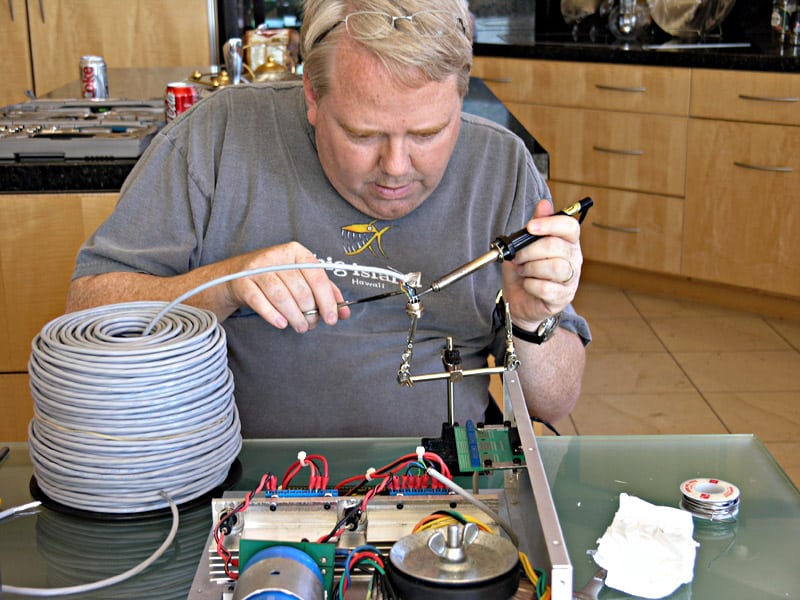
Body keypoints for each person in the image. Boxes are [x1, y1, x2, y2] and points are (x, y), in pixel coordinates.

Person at [65, 0, 591, 438]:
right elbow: (85, 309)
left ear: (460, 96)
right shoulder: (218, 137)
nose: (396, 168)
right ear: (312, 97)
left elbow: (555, 401)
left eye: (429, 134)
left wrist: (531, 319)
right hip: (243, 489)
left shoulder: (500, 166)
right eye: (363, 134)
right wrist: (225, 286)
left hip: (442, 503)